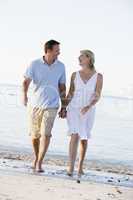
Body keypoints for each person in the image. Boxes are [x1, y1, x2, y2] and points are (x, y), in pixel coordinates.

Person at [22, 40, 66, 172]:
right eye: (57, 50)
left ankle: (39, 162)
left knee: (46, 134)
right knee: (35, 136)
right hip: (35, 105)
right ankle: (36, 158)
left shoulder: (61, 66)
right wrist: (24, 95)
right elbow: (26, 81)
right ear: (48, 50)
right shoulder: (34, 64)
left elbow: (62, 86)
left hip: (52, 105)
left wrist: (64, 106)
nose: (59, 52)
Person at [66, 50, 103, 177]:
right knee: (74, 135)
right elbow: (70, 92)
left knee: (84, 138)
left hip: (88, 110)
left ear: (88, 58)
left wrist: (89, 106)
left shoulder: (98, 76)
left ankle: (80, 167)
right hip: (74, 109)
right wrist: (64, 107)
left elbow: (97, 95)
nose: (79, 58)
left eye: (81, 56)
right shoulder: (74, 75)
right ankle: (70, 167)